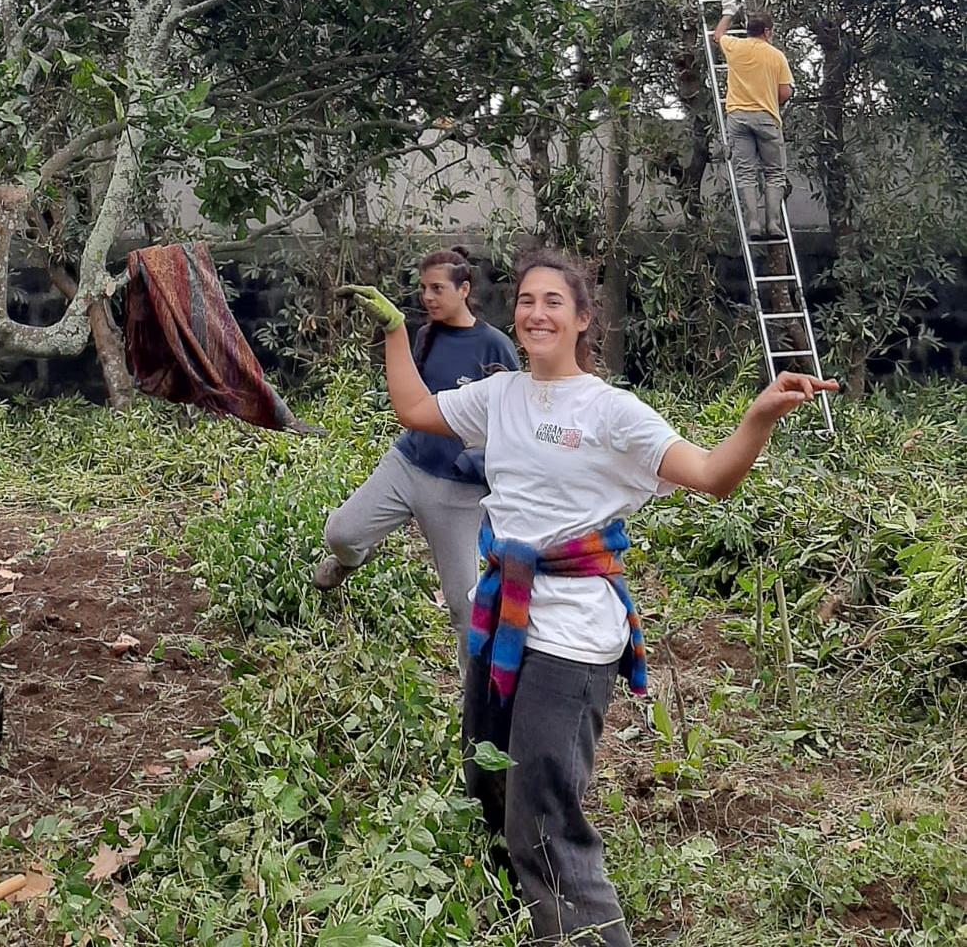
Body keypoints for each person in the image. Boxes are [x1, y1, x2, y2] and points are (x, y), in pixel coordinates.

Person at [338, 247, 836, 947]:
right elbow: (416, 409)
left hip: (570, 637)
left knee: (543, 817)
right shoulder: (500, 394)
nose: (536, 312)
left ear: (580, 319)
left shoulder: (612, 411)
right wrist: (396, 329)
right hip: (502, 619)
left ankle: (587, 934)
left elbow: (710, 475)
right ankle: (521, 913)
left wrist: (757, 418)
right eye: (526, 301)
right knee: (487, 778)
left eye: (552, 302)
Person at [315, 247, 518, 687]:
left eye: (437, 288)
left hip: (459, 493)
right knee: (341, 533)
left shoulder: (494, 346)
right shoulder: (426, 336)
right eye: (423, 288)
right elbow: (410, 401)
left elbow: (515, 419)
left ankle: (477, 699)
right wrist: (395, 333)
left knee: (466, 605)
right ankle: (354, 560)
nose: (427, 296)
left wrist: (487, 465)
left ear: (464, 290)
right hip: (407, 465)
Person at [712, 0, 795, 239]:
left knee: (746, 172)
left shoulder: (735, 47)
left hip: (738, 117)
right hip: (766, 117)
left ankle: (753, 224)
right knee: (774, 173)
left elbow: (717, 35)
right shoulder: (776, 56)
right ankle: (773, 224)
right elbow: (784, 92)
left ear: (748, 30)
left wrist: (728, 11)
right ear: (767, 31)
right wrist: (771, 98)